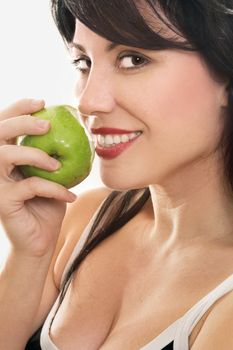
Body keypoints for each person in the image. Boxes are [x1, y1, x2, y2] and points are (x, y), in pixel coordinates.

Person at [1, 1, 233, 349]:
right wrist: (30, 256)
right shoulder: (84, 219)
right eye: (83, 63)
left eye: (133, 59)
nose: (88, 101)